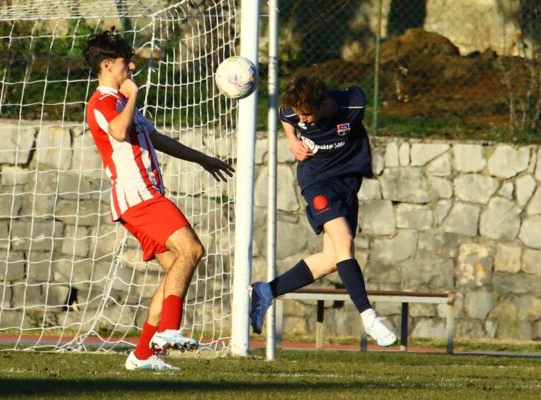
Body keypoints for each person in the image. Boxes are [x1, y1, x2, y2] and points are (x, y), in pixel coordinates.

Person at [83, 30, 234, 371]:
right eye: (125, 62)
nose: (132, 66)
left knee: (174, 270)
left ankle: (142, 354)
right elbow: (119, 133)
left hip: (147, 194)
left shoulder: (120, 102)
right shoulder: (101, 104)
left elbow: (158, 138)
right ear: (108, 65)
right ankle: (167, 331)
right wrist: (133, 95)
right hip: (137, 196)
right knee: (192, 250)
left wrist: (203, 159)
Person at [249, 76, 397, 346]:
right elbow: (286, 116)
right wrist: (292, 140)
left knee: (332, 259)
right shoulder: (293, 111)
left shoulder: (353, 104)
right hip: (317, 181)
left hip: (348, 183)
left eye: (307, 114)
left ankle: (266, 291)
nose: (302, 120)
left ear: (323, 102)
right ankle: (368, 316)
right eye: (299, 115)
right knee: (345, 241)